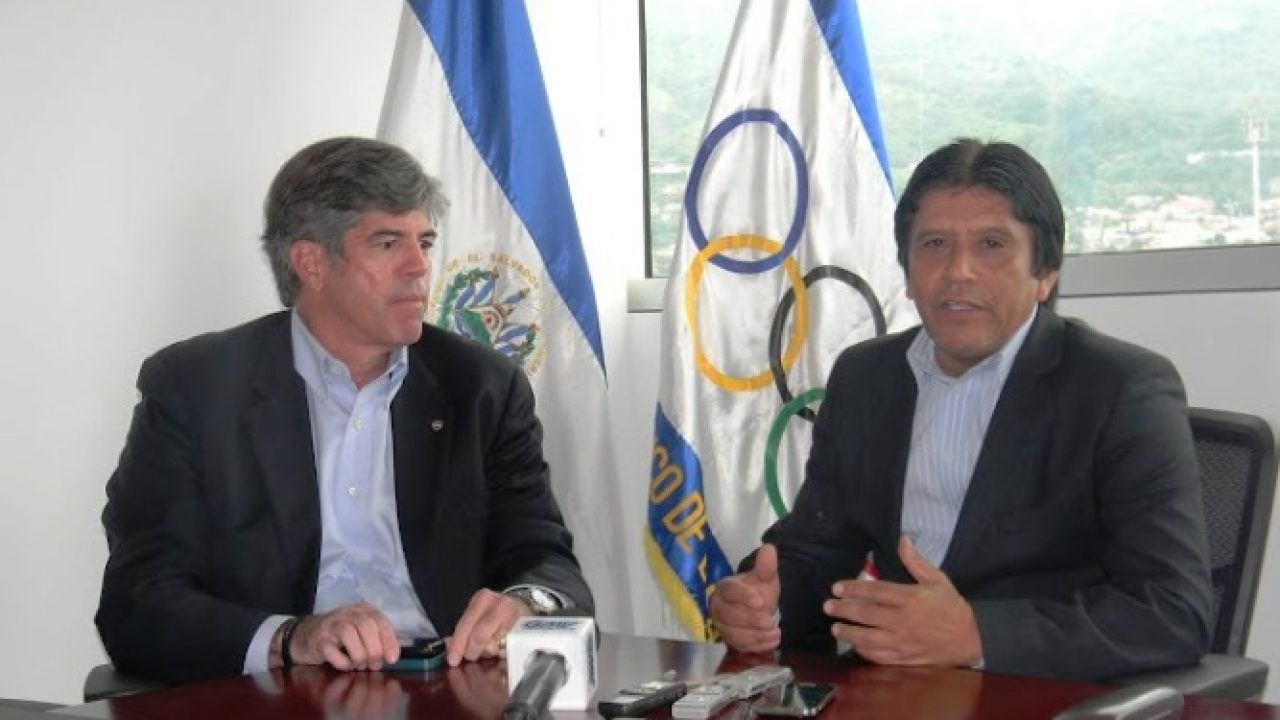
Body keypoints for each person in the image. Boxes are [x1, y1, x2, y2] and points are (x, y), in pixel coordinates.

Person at [709, 138, 1212, 682]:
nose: (959, 271)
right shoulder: (867, 377)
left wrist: (978, 635)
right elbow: (818, 549)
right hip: (892, 690)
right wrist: (764, 603)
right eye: (935, 244)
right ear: (907, 273)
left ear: (1045, 273)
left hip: (1043, 695)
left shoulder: (1121, 390)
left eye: (992, 244)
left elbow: (1171, 611)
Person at [96, 137, 593, 683]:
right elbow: (138, 601)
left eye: (425, 242)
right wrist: (291, 638)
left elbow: (547, 562)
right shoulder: (196, 389)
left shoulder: (481, 388)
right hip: (284, 692)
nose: (419, 266)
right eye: (388, 243)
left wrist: (526, 603)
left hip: (452, 683)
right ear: (311, 263)